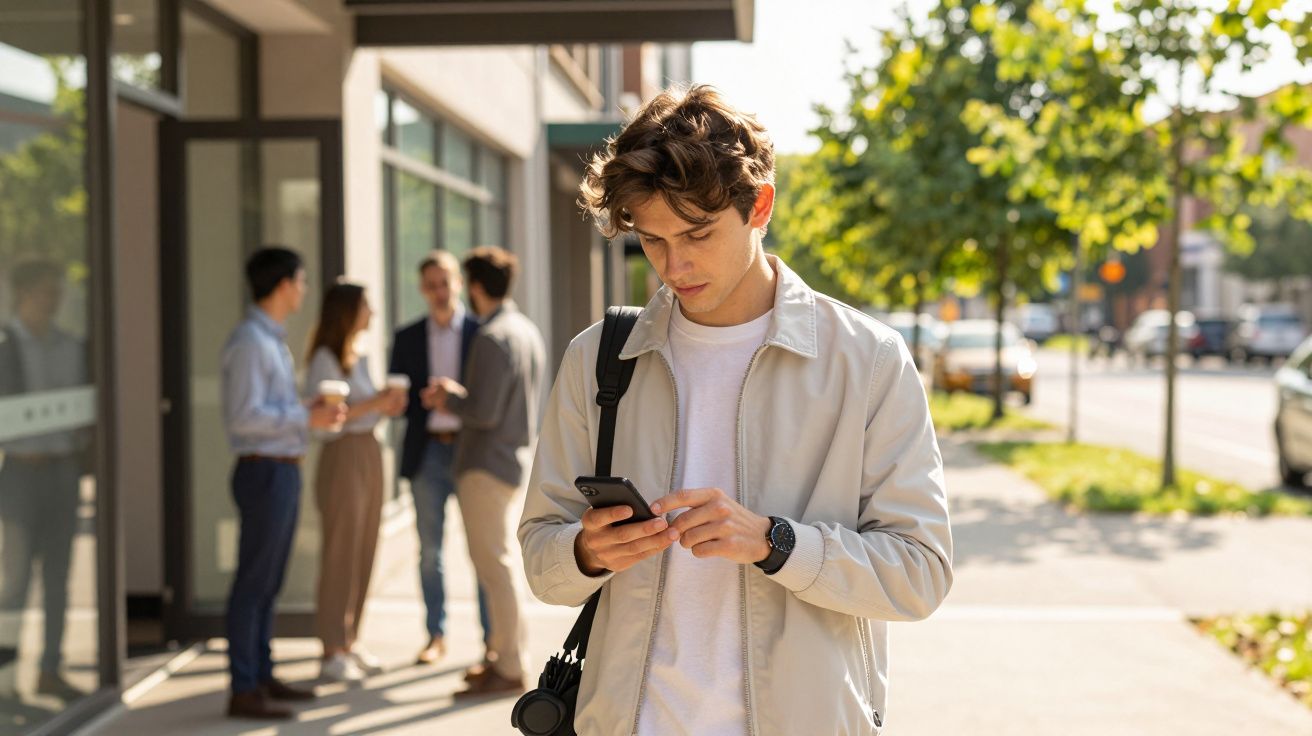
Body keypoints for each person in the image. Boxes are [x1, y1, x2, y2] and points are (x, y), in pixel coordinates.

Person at [519, 85, 953, 735]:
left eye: (697, 233)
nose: (676, 264)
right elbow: (540, 558)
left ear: (761, 207)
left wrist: (776, 542)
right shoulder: (599, 358)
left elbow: (920, 572)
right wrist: (588, 551)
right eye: (652, 239)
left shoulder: (867, 360)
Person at [220, 247, 345, 720]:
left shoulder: (269, 338)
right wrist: (305, 414)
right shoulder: (252, 341)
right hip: (264, 470)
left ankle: (261, 674)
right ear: (284, 285)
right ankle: (244, 686)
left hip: (280, 468)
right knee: (254, 582)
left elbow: (267, 410)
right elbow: (244, 417)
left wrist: (304, 410)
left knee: (267, 581)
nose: (305, 290)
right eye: (302, 281)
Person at [428, 246, 546, 697]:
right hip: (508, 460)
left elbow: (483, 410)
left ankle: (510, 665)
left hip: (485, 465)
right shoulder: (523, 330)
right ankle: (502, 655)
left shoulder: (492, 336)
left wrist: (450, 395)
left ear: (474, 287)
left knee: (494, 568)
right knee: (498, 565)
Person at [388, 251, 489, 666]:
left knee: (480, 550)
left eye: (444, 281)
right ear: (421, 288)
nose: (438, 290)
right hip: (427, 451)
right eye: (430, 284)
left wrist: (455, 395)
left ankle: (492, 642)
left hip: (470, 451)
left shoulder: (482, 333)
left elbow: (488, 397)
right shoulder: (407, 337)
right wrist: (415, 400)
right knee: (430, 551)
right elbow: (399, 398)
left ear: (458, 284)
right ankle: (435, 635)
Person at [305, 282, 406, 683]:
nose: (372, 313)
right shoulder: (325, 361)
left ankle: (349, 640)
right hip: (342, 455)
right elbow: (330, 422)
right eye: (366, 305)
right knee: (340, 552)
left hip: (368, 451)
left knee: (364, 548)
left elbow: (361, 411)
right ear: (349, 310)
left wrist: (383, 406)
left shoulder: (358, 356)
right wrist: (375, 404)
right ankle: (331, 647)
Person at [0, 260, 89, 702]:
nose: (52, 302)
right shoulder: (5, 345)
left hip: (62, 469)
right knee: (14, 580)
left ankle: (50, 669)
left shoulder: (72, 347)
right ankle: (6, 678)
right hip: (20, 470)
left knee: (58, 578)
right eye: (44, 293)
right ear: (23, 294)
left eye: (57, 294)